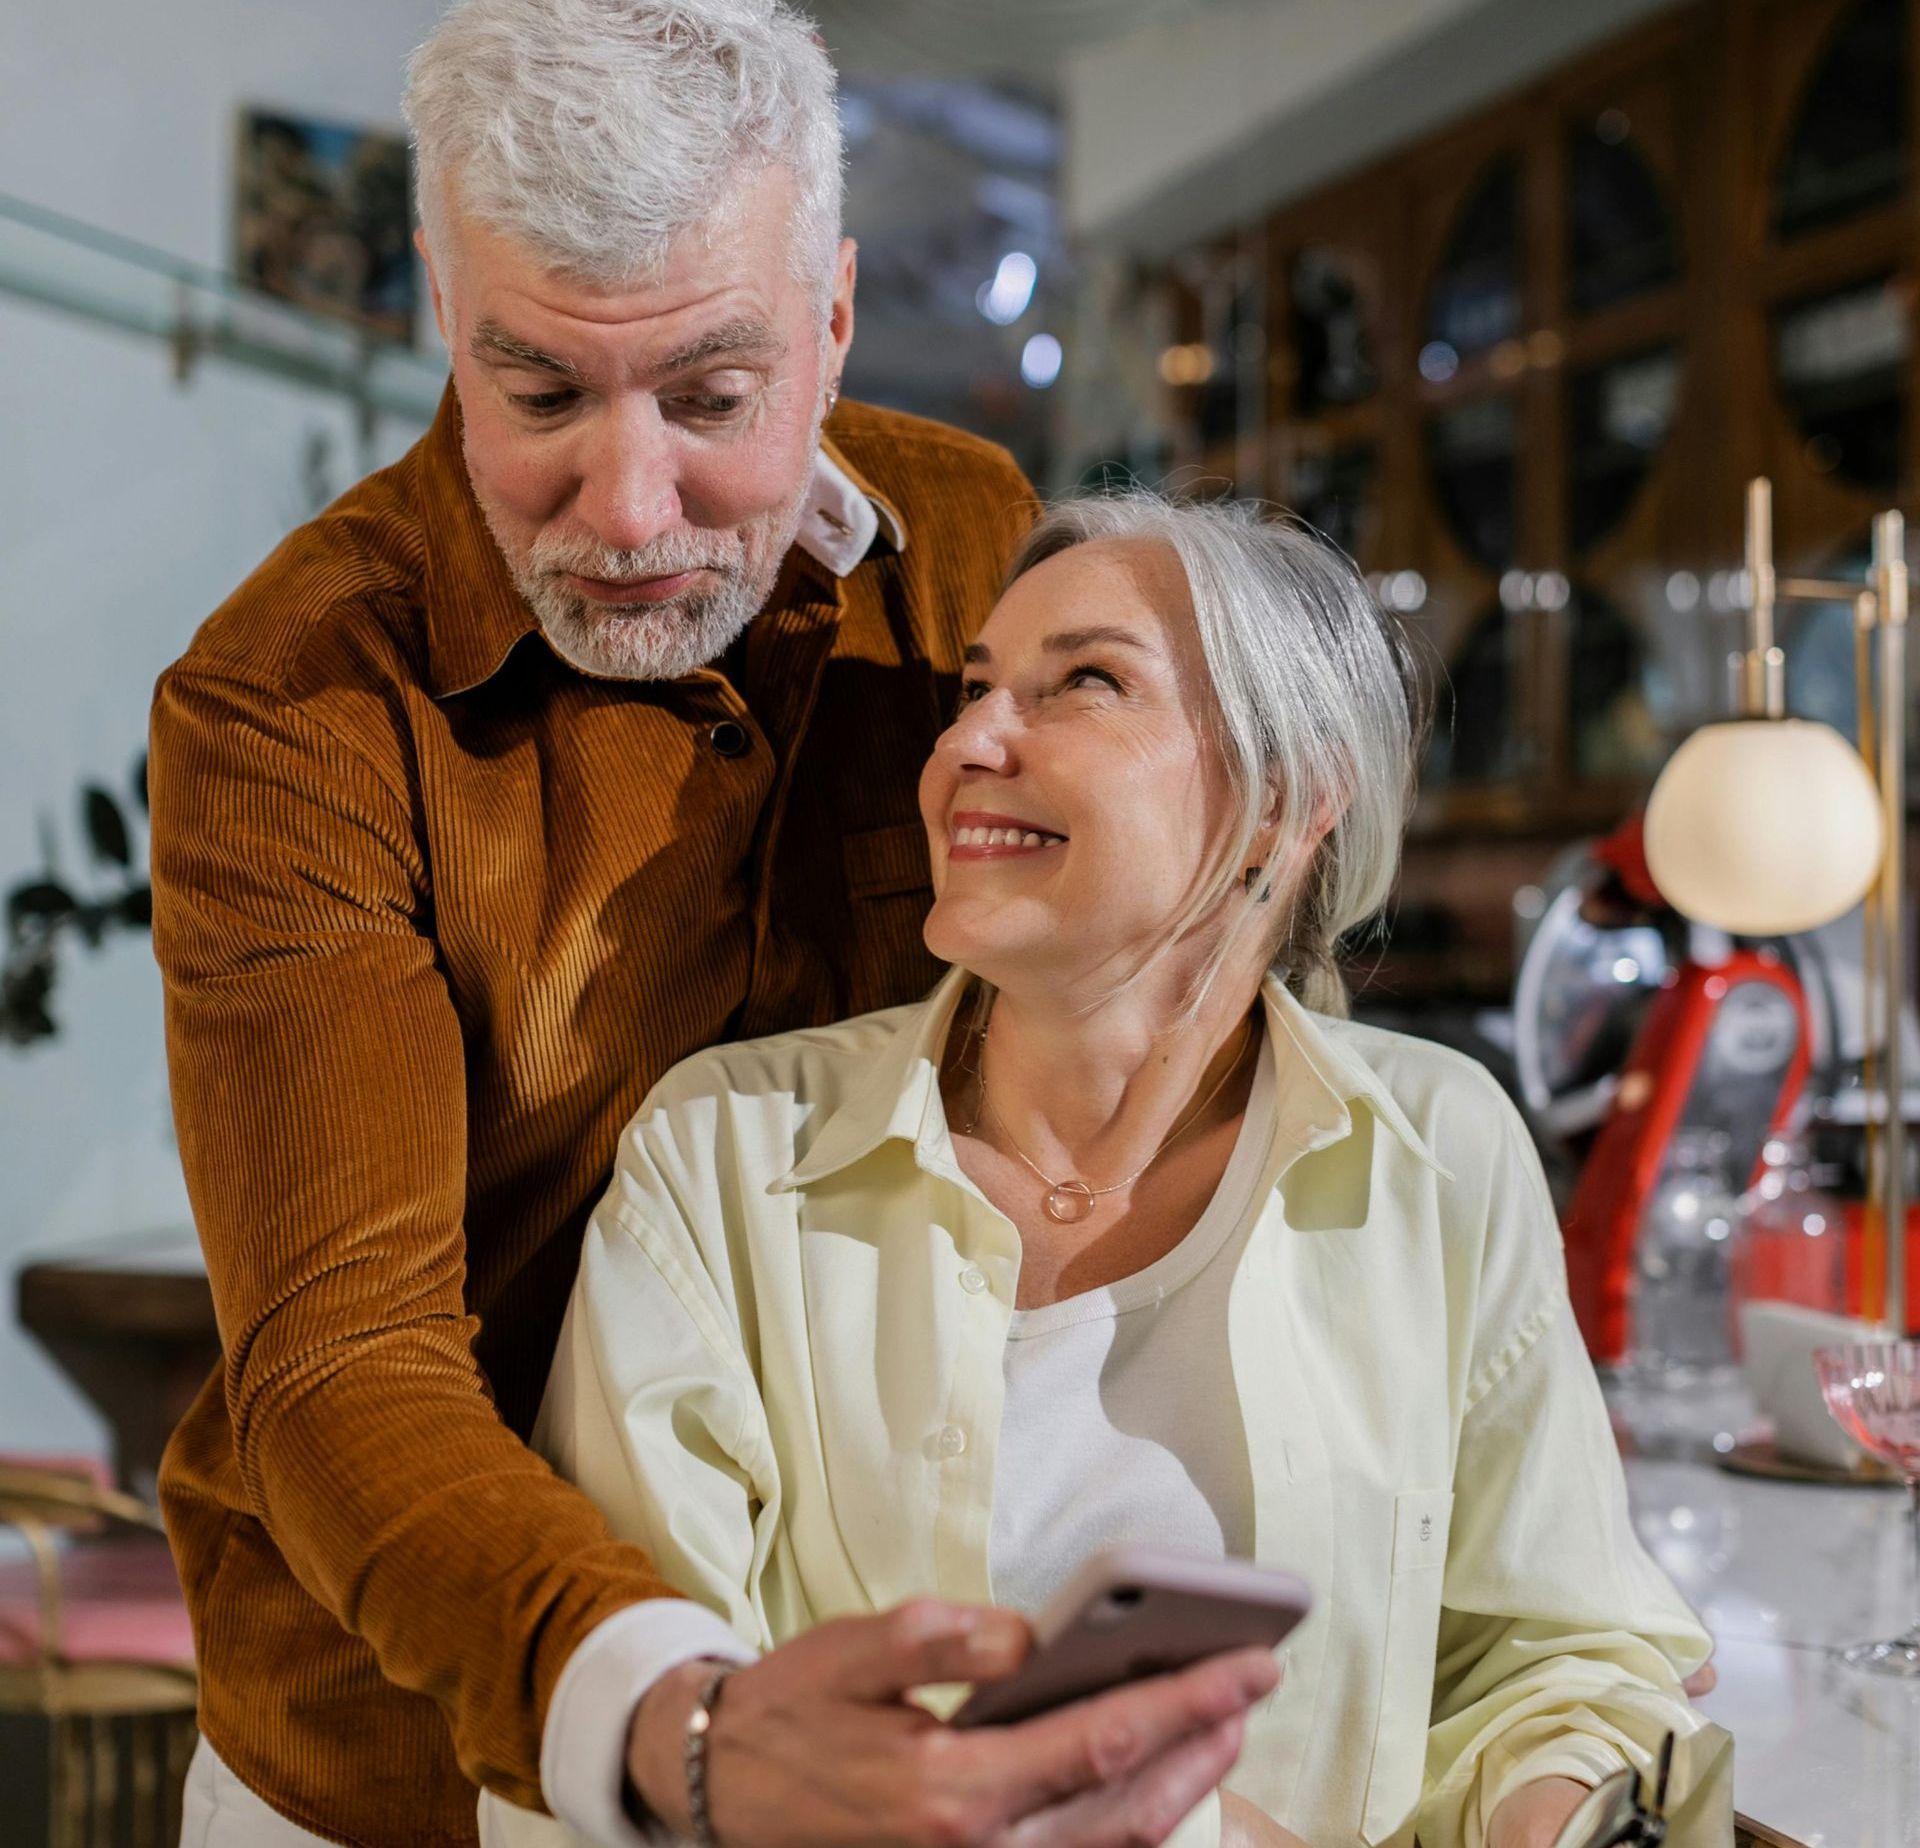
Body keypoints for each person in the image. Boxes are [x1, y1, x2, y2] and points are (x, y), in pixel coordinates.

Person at [152, 3, 1280, 1844]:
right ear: (444, 301)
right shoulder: (291, 708)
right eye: (538, 394)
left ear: (832, 317)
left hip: (881, 1703)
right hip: (405, 1766)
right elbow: (344, 1357)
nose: (628, 507)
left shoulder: (970, 538)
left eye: (708, 397)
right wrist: (682, 1720)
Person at [504, 493, 1720, 1848]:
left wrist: (1562, 1816)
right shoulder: (725, 1156)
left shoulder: (1442, 1149)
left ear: (1287, 800)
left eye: (1084, 681)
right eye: (971, 692)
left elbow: (1559, 1658)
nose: (967, 742)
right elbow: (656, 1735)